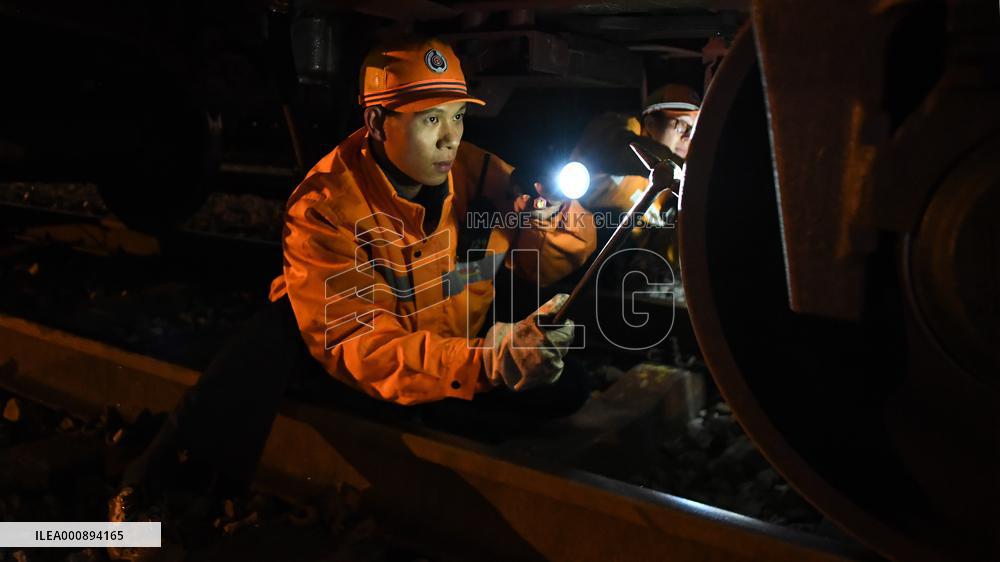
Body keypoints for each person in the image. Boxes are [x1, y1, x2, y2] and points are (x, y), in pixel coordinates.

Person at [107, 37, 596, 558]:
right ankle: (154, 490)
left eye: (457, 117)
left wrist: (558, 223)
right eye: (429, 120)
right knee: (279, 326)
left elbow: (538, 264)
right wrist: (485, 362)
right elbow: (361, 346)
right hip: (349, 368)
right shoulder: (326, 208)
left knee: (567, 384)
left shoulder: (474, 174)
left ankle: (434, 408)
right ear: (378, 124)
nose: (450, 139)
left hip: (437, 356)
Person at [570, 84, 700, 269]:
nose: (688, 137)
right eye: (681, 125)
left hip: (613, 270)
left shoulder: (671, 194)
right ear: (650, 123)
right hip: (573, 238)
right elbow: (609, 145)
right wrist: (689, 175)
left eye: (694, 131)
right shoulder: (621, 128)